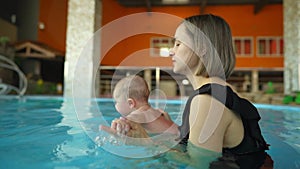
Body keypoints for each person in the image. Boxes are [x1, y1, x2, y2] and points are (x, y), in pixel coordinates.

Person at [102, 14, 273, 169]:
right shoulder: (218, 92)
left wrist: (145, 143)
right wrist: (172, 131)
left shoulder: (207, 101)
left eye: (178, 43)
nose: (171, 50)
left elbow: (198, 165)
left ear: (202, 47)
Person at [100, 75, 179, 137]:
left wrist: (121, 124)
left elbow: (131, 119)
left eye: (116, 102)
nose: (115, 105)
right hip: (181, 134)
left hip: (177, 142)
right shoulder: (158, 112)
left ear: (131, 103)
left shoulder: (141, 114)